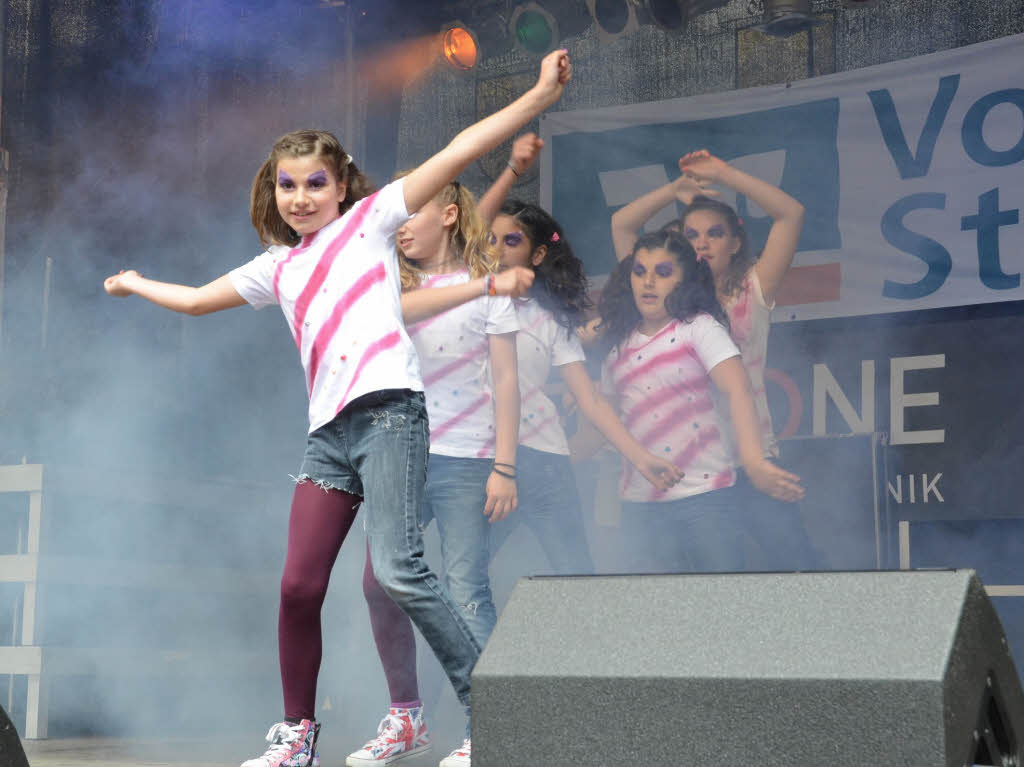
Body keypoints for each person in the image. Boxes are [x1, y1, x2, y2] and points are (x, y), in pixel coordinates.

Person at [102, 48, 572, 767]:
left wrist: (537, 97)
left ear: (342, 185)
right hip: (329, 439)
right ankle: (297, 734)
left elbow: (458, 149)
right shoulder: (277, 265)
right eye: (287, 185)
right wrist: (136, 282)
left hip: (390, 416)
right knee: (298, 584)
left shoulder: (373, 223)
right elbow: (198, 301)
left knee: (401, 571)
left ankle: (492, 715)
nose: (300, 197)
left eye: (314, 183)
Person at [349, 179, 520, 767]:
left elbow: (506, 381)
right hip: (402, 454)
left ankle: (489, 727)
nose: (398, 225)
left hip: (469, 456)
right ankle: (407, 716)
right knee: (379, 581)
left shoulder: (490, 288)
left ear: (448, 215)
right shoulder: (390, 286)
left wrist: (506, 464)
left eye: (410, 213)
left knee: (467, 587)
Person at [474, 136, 683, 572]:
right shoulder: (460, 304)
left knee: (575, 576)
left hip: (545, 463)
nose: (496, 250)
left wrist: (639, 455)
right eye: (489, 240)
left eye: (509, 241)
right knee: (463, 577)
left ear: (538, 254)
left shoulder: (550, 321)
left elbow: (589, 399)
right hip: (477, 460)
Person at [609, 150, 815, 570]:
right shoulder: (665, 303)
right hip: (692, 476)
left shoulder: (750, 291)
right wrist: (671, 191)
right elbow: (622, 225)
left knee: (798, 569)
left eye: (714, 233)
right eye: (691, 234)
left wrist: (725, 175)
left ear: (735, 242)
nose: (701, 242)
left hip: (749, 456)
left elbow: (791, 214)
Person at [589, 229, 802, 574]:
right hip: (639, 505)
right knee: (653, 615)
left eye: (662, 273)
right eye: (640, 271)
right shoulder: (617, 346)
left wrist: (753, 460)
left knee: (717, 607)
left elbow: (738, 390)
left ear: (684, 278)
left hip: (707, 498)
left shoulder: (698, 329)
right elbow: (603, 421)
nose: (648, 282)